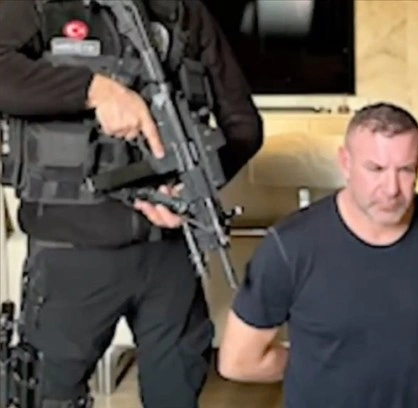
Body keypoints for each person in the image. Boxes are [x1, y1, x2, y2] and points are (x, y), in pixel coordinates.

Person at [0, 0, 263, 407]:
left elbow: (243, 125)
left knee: (177, 393)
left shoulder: (183, 11)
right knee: (49, 395)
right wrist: (94, 90)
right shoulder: (35, 6)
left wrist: (188, 187)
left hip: (170, 253)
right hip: (71, 254)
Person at [216, 102, 418, 408]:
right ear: (346, 162)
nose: (391, 189)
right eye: (375, 169)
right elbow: (239, 361)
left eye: (405, 170)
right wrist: (320, 365)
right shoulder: (290, 245)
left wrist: (410, 357)